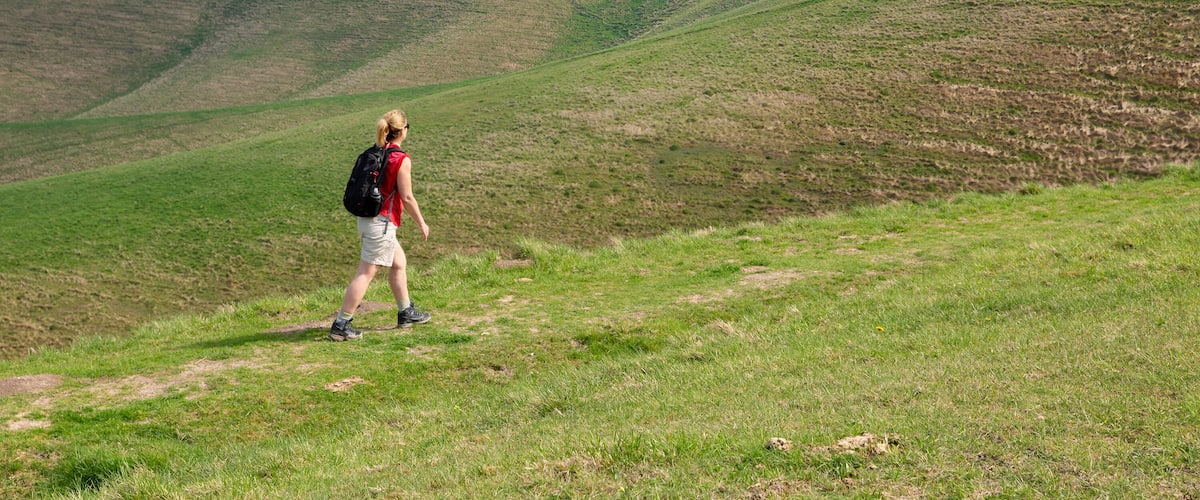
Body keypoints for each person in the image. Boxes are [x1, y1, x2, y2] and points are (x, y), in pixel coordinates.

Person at [330, 109, 431, 341]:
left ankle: (406, 312)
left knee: (399, 262)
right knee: (366, 273)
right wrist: (422, 223)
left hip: (368, 219)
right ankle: (341, 323)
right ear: (402, 131)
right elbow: (407, 197)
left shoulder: (376, 153)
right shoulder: (400, 159)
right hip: (382, 223)